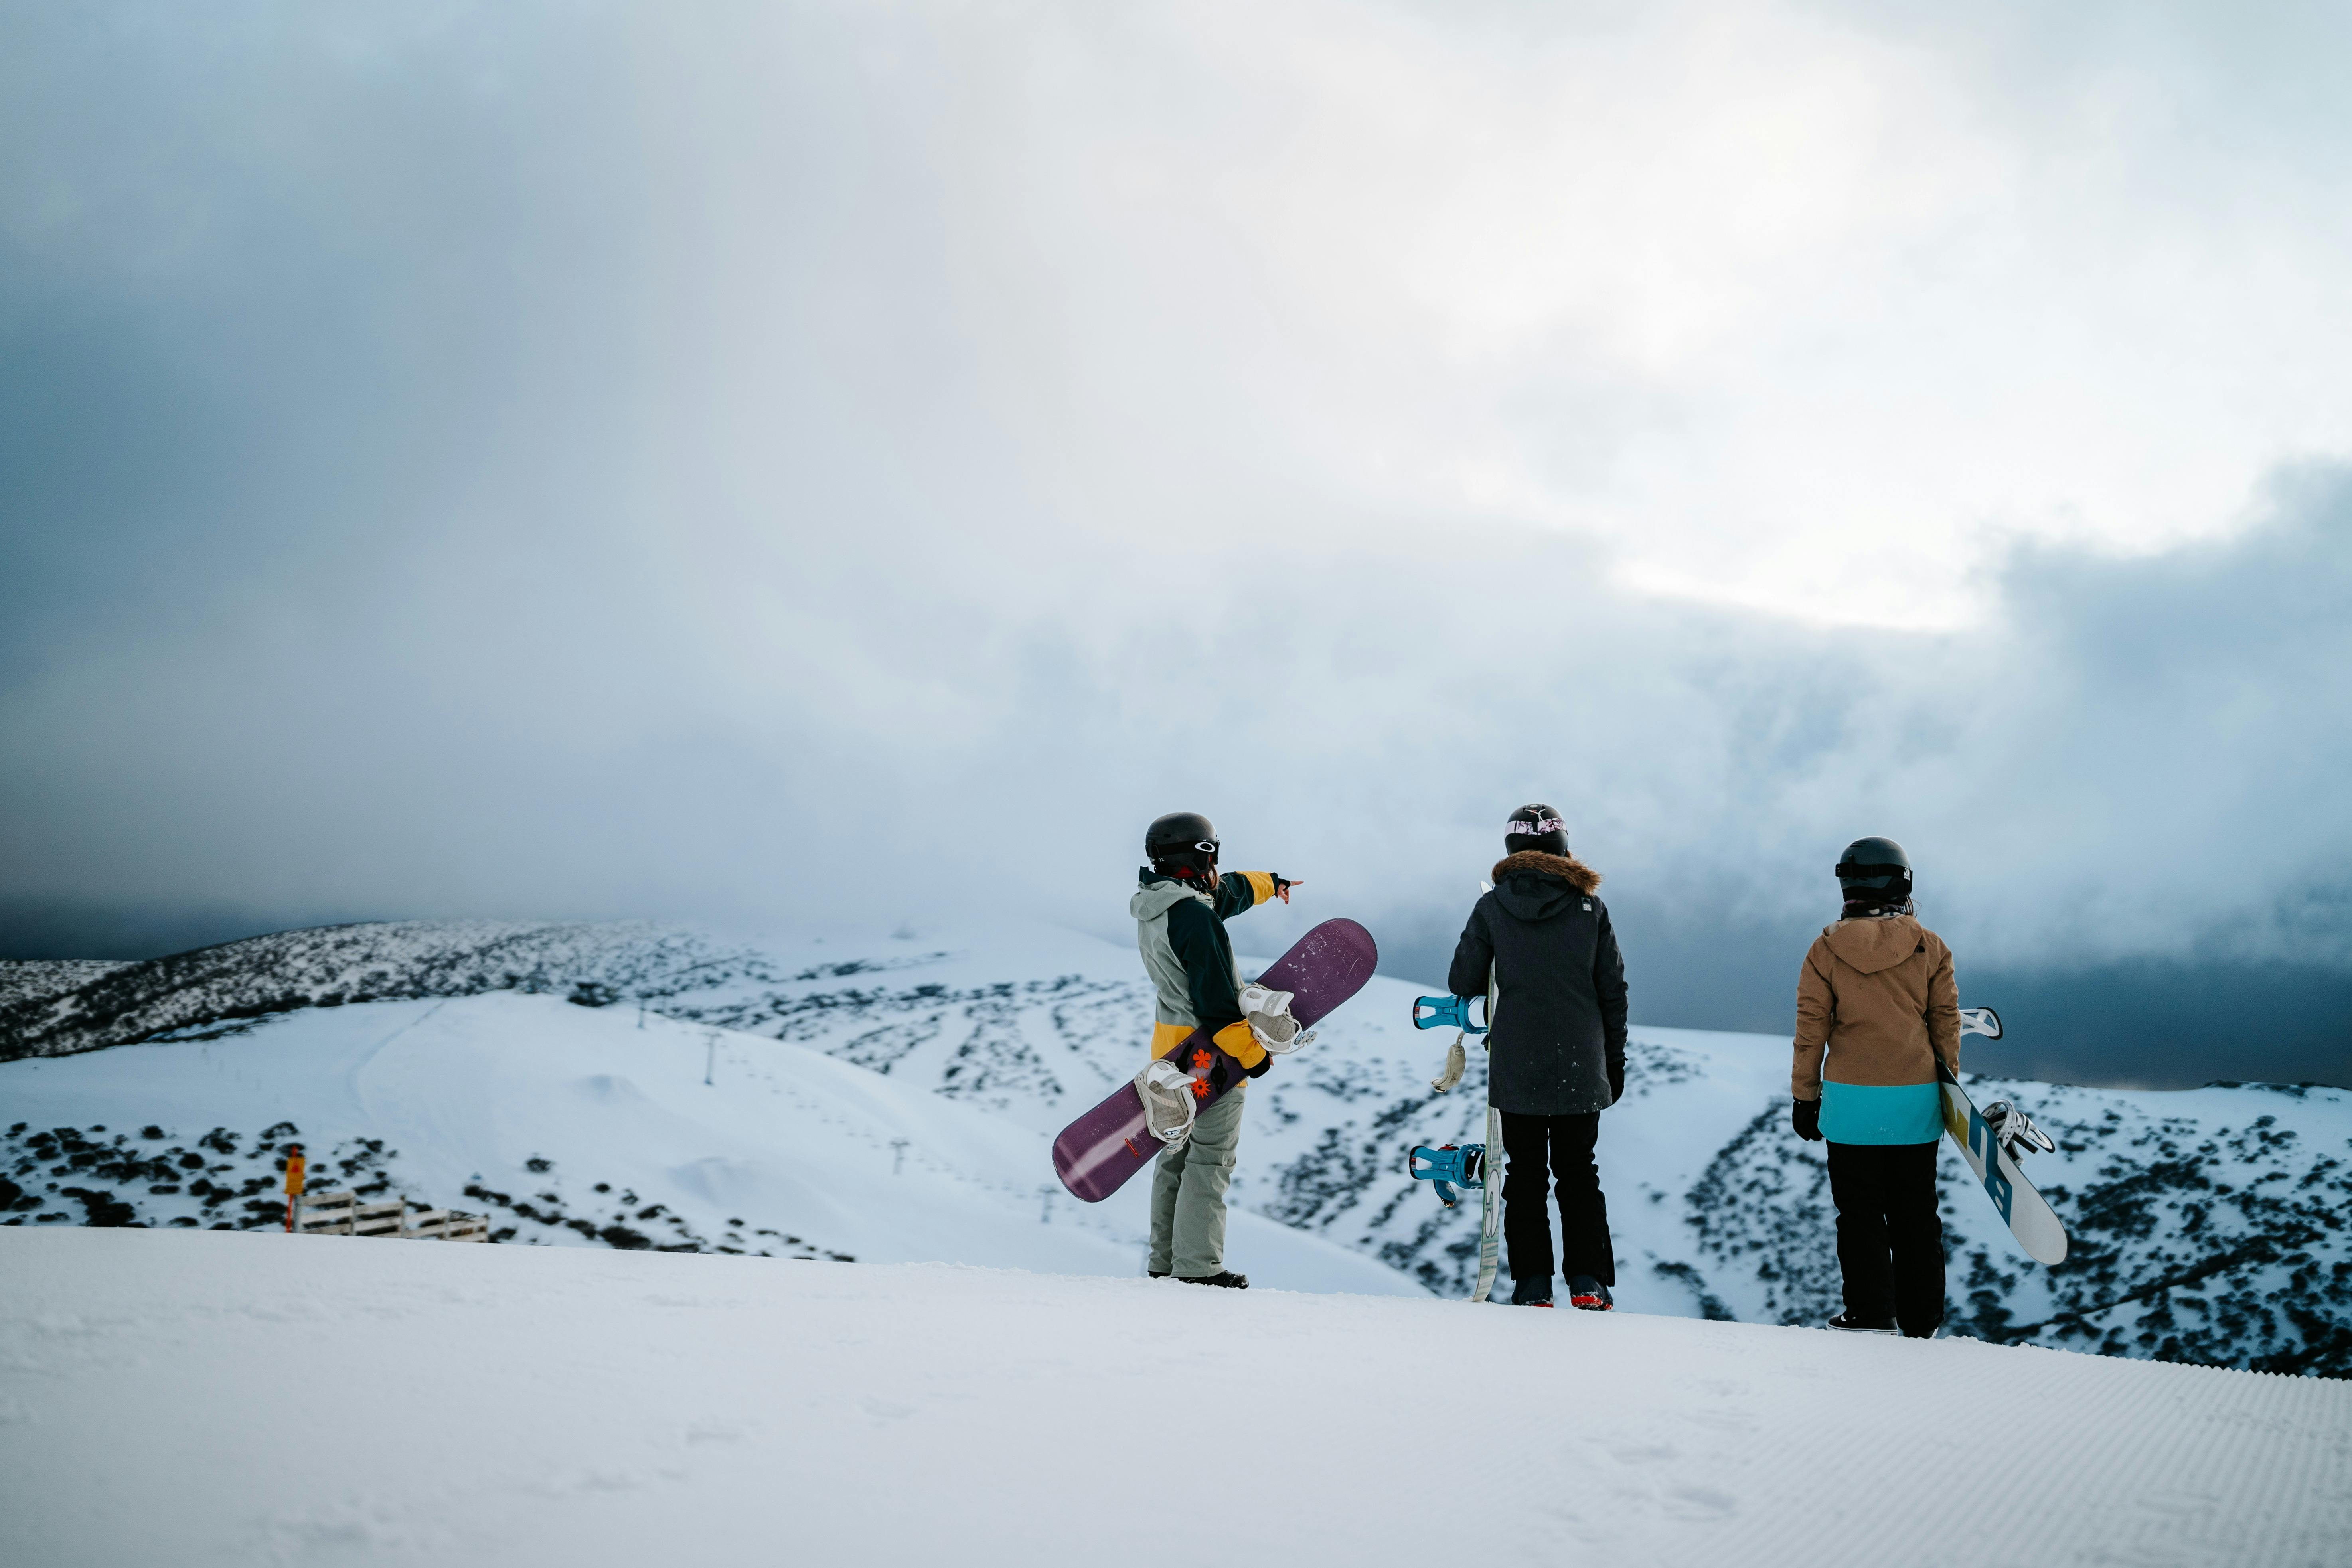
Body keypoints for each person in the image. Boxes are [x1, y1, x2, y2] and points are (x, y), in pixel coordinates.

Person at [1447, 804, 1628, 1309]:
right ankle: (1589, 1282)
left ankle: (1532, 1286)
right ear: (1563, 847)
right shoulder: (1591, 907)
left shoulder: (1493, 907)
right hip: (1581, 1061)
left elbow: (1463, 981)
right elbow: (1613, 991)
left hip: (1516, 1064)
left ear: (1512, 851)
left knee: (1523, 1176)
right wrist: (1614, 1062)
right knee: (1579, 1172)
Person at [1788, 836, 1959, 1339]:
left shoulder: (1824, 949)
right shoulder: (1932, 946)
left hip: (1849, 1105)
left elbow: (1811, 1028)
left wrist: (1805, 1096)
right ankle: (1922, 1320)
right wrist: (1948, 1091)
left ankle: (1870, 1312)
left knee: (1859, 1216)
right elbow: (1945, 1025)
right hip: (1915, 1102)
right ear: (1903, 882)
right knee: (1917, 1217)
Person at [1131, 811, 1300, 1289]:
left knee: (1175, 1154)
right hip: (1211, 1054)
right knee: (1211, 1159)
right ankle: (1199, 1267)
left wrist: (1271, 883)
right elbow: (1217, 1002)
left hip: (1170, 1050)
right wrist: (1254, 1057)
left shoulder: (1158, 903)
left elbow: (1226, 895)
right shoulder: (1196, 918)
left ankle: (1166, 1261)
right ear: (1199, 856)